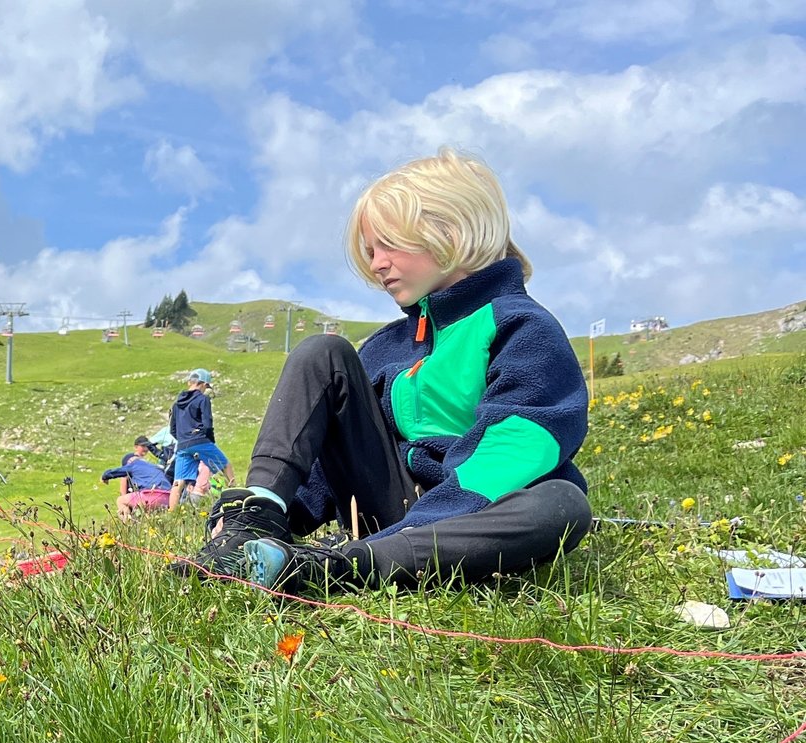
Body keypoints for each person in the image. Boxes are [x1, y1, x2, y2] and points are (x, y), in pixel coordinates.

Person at [178, 147, 591, 591]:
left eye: (389, 245)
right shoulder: (384, 346)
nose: (376, 265)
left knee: (562, 504)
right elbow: (334, 454)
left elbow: (512, 455)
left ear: (453, 231)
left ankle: (338, 568)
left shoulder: (521, 327)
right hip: (387, 512)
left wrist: (406, 533)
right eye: (371, 250)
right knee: (323, 351)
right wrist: (290, 515)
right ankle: (253, 522)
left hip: (467, 520)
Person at [167, 369, 232, 508]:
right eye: (206, 387)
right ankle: (236, 493)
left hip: (183, 445)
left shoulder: (177, 404)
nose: (205, 390)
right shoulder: (203, 399)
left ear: (189, 382)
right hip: (200, 441)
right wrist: (209, 440)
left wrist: (184, 438)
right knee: (225, 465)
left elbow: (172, 429)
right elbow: (208, 424)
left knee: (178, 482)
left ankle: (171, 514)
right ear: (203, 384)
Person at [103, 441, 174, 517]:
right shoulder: (154, 466)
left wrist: (104, 476)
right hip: (168, 498)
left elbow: (113, 473)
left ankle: (126, 524)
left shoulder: (133, 464)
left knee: (121, 500)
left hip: (151, 496)